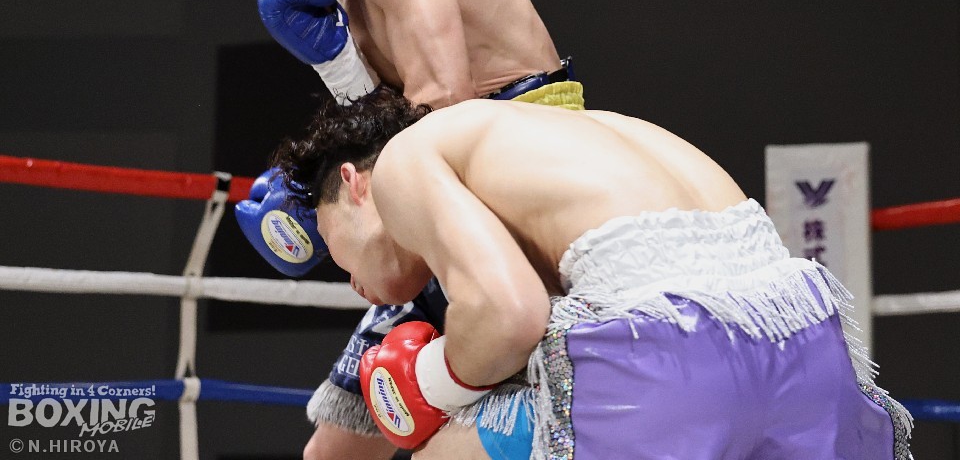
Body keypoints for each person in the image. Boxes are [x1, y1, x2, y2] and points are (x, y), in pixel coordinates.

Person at [213, 0, 584, 460]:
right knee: (336, 452)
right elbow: (396, 121)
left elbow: (443, 111)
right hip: (466, 187)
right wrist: (333, 92)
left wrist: (341, 205)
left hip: (522, 186)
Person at [271, 88, 913, 460]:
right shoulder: (570, 136)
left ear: (353, 184)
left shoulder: (403, 163)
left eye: (331, 246)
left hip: (671, 359)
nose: (350, 281)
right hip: (809, 348)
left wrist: (427, 384)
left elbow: (509, 316)